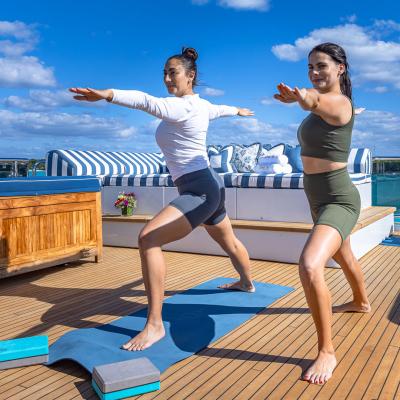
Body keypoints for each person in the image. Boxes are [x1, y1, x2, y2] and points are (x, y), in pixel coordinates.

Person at [70, 47, 255, 351]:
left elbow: (145, 101)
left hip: (200, 190)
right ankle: (246, 283)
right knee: (229, 241)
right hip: (210, 185)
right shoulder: (201, 105)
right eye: (165, 73)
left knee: (148, 239)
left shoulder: (180, 107)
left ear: (190, 75)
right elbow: (220, 108)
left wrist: (106, 94)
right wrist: (238, 110)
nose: (168, 78)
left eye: (174, 72)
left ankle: (155, 325)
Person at [274, 42, 371, 385]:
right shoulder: (317, 106)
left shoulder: (340, 103)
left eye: (321, 66)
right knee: (343, 255)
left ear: (340, 69)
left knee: (310, 264)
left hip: (339, 198)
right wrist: (299, 101)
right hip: (317, 196)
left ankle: (326, 351)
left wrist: (302, 97)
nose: (315, 73)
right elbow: (314, 103)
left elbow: (318, 100)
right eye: (310, 68)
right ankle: (361, 302)